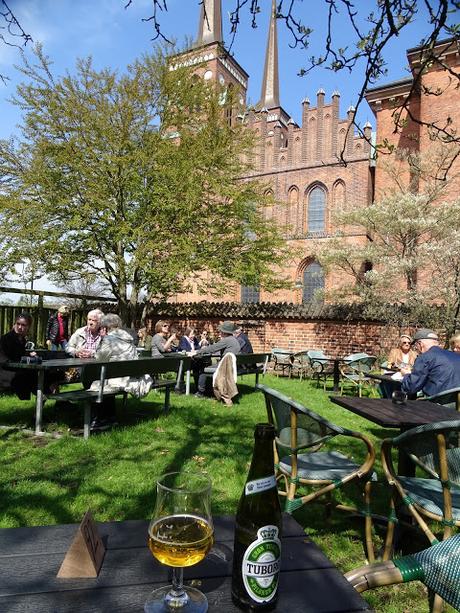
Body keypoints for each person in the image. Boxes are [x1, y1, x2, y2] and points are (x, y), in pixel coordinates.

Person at [90, 314, 138, 430]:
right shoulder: (129, 339)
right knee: (104, 380)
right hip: (126, 378)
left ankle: (98, 419)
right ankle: (110, 417)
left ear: (106, 327)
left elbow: (99, 359)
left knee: (92, 382)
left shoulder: (109, 339)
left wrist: (94, 352)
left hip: (115, 381)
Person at [0, 313, 58, 400]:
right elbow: (6, 360)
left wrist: (28, 355)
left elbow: (18, 355)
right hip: (6, 373)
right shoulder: (6, 339)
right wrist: (26, 359)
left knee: (49, 375)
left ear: (28, 327)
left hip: (17, 369)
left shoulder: (21, 339)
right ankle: (48, 398)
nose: (20, 327)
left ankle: (54, 399)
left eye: (23, 325)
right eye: (18, 324)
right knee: (37, 378)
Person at [401, 328, 460, 397]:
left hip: (435, 403)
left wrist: (406, 375)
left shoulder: (425, 357)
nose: (416, 349)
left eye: (415, 346)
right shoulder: (455, 356)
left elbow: (411, 387)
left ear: (420, 344)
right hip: (456, 404)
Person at [193, 321, 241, 398]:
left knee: (203, 369)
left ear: (224, 332)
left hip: (226, 366)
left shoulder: (227, 340)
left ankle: (200, 392)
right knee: (208, 367)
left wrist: (197, 352)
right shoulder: (234, 340)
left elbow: (212, 348)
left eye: (221, 331)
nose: (220, 332)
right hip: (233, 365)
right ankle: (209, 390)